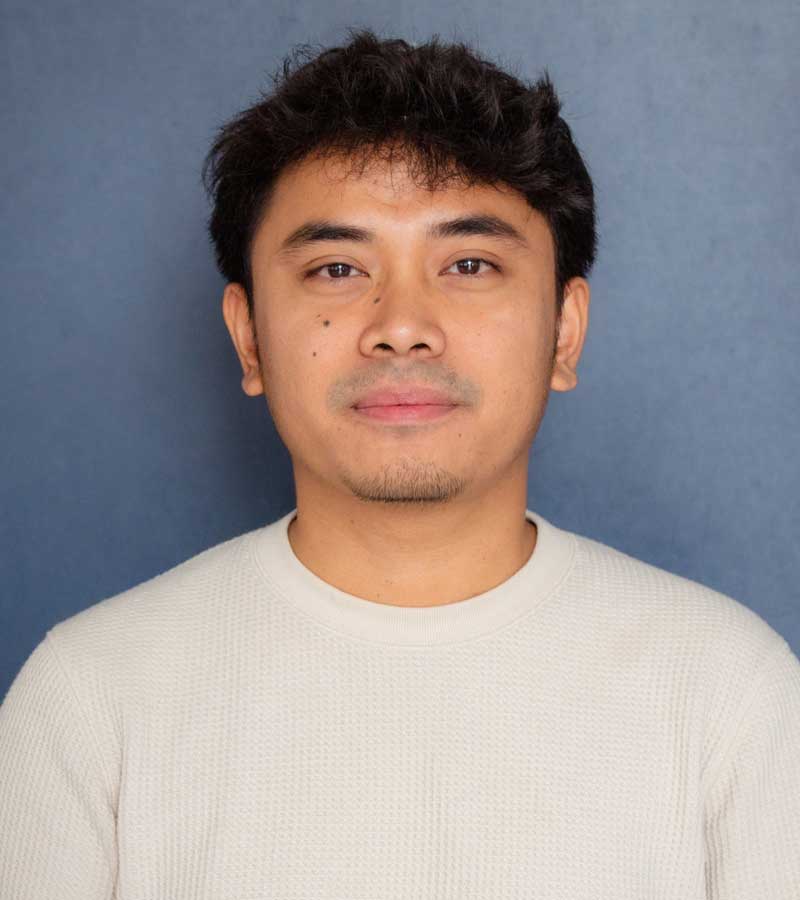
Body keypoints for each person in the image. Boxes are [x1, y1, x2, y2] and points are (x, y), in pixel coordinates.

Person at [1, 27, 798, 900]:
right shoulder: (90, 701)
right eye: (337, 268)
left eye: (470, 263)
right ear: (249, 336)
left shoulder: (730, 696)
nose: (403, 325)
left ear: (565, 332)